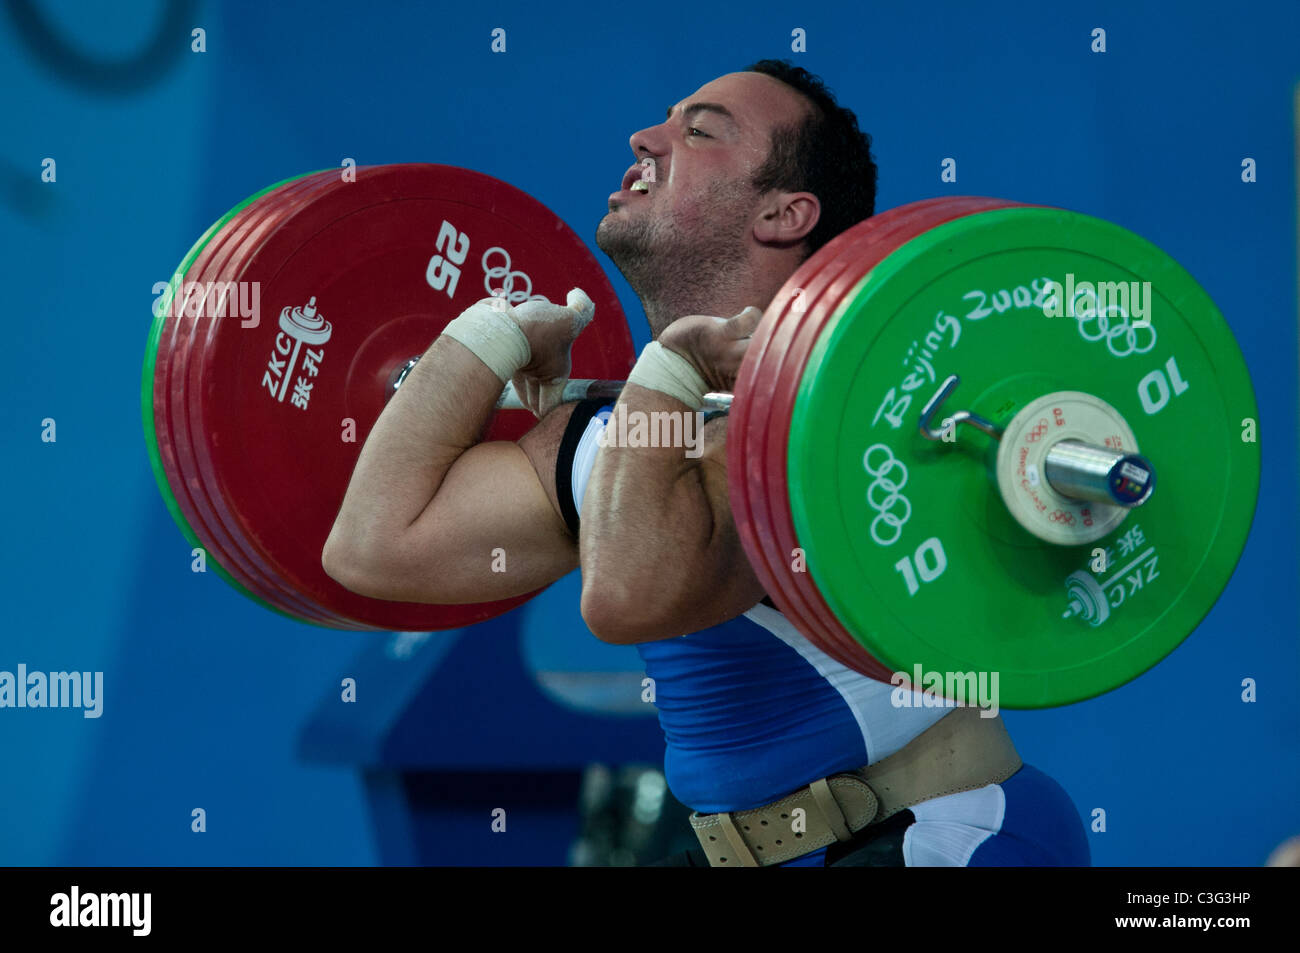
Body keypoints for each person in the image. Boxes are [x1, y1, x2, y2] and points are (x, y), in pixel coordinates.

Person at [322, 59, 1090, 867]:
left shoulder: (825, 408)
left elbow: (626, 599)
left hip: (932, 836)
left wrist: (671, 375)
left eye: (698, 130)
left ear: (784, 213)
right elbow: (373, 547)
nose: (645, 137)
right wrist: (488, 336)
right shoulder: (610, 427)